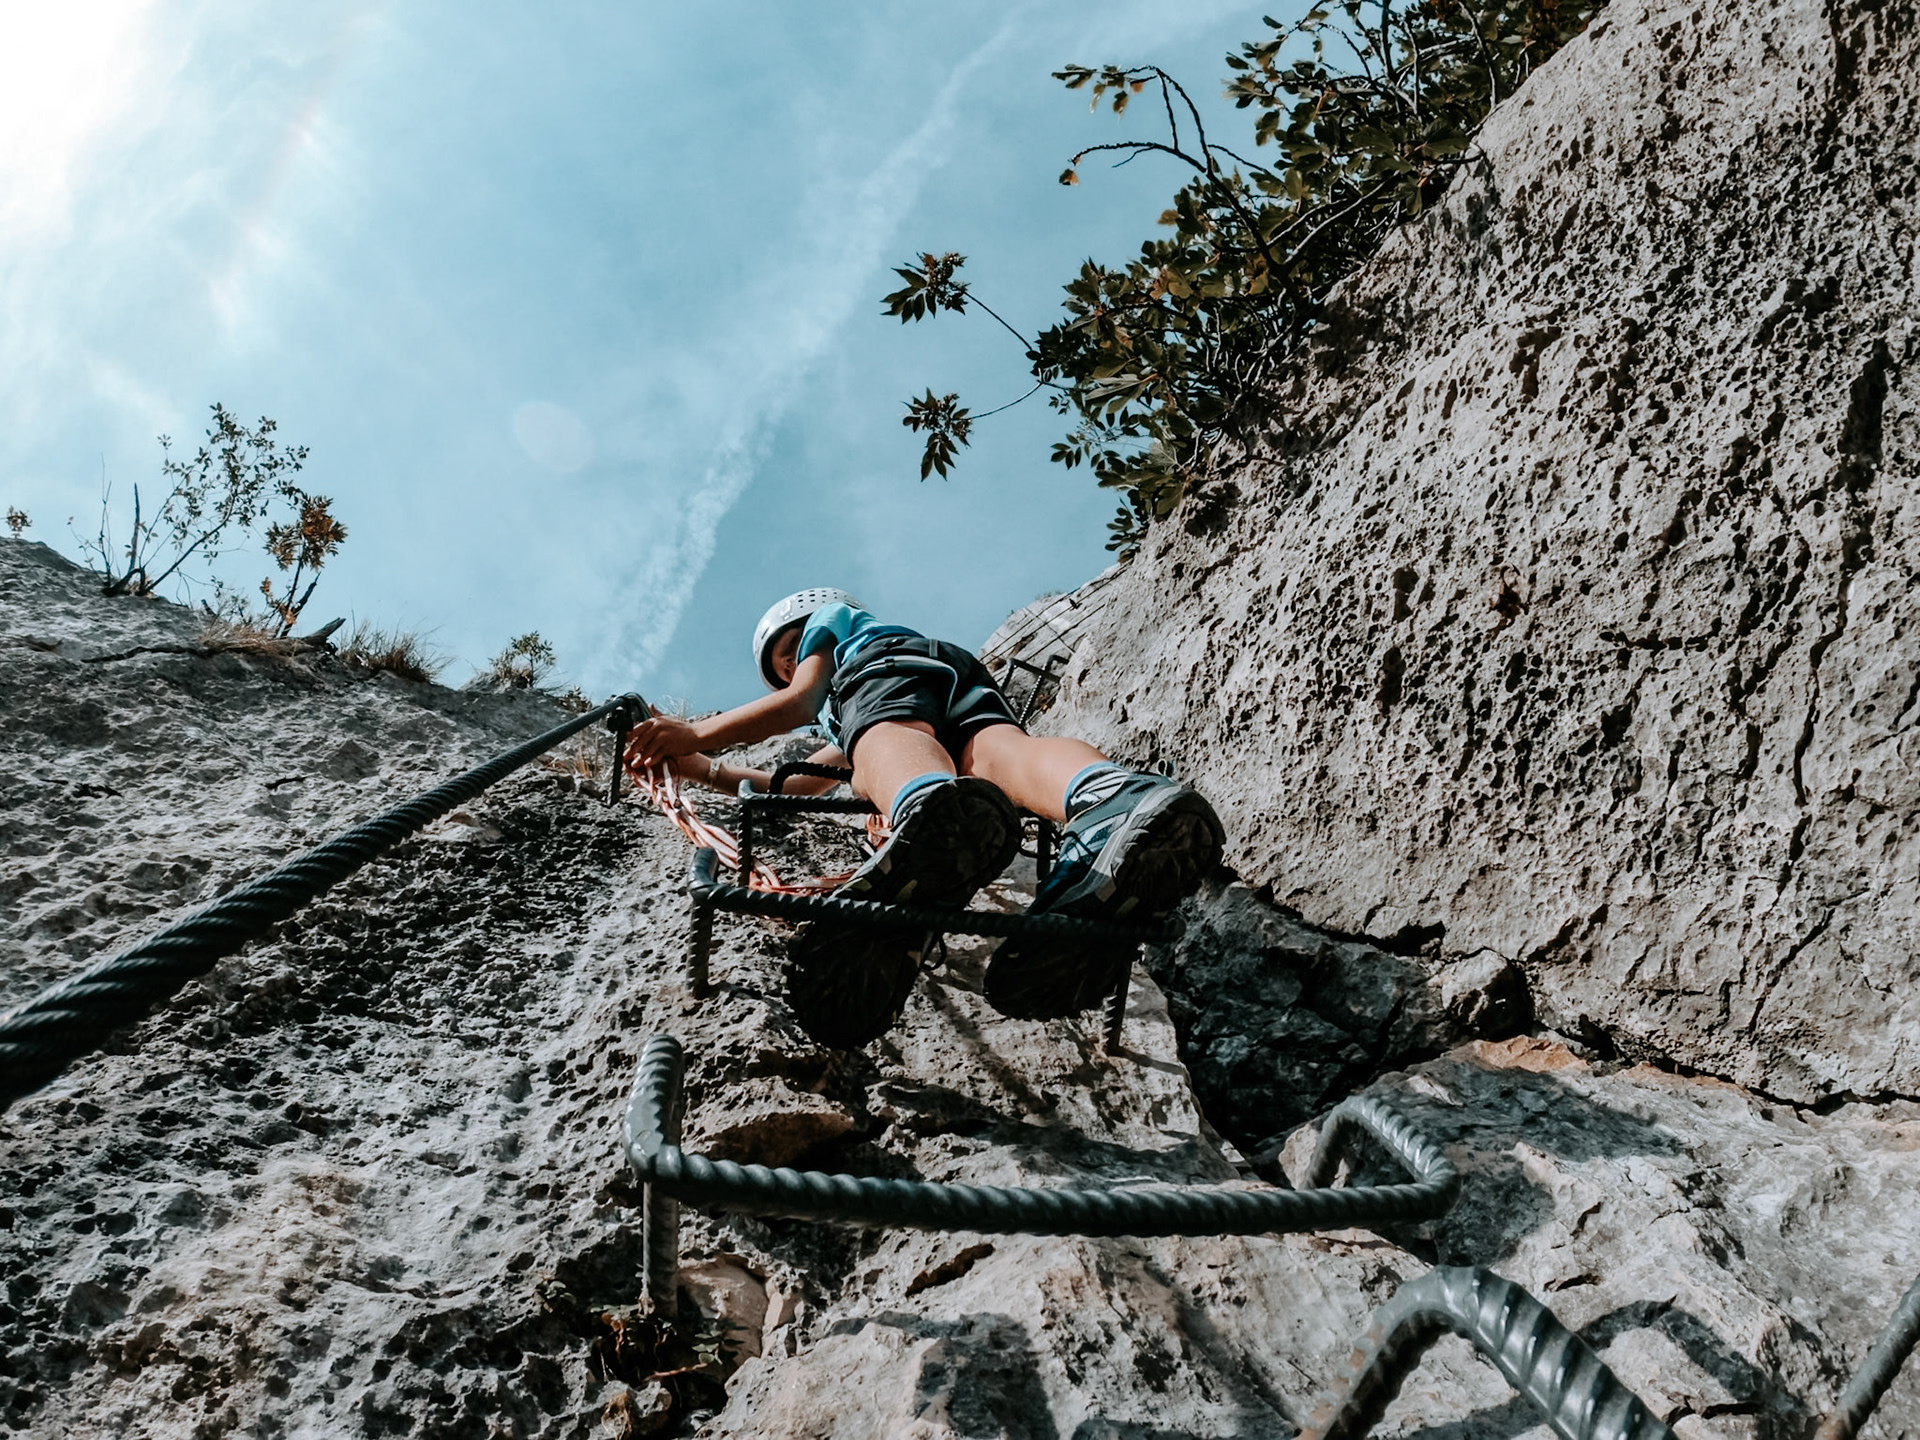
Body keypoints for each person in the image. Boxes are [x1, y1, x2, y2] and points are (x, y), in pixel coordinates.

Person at [632, 587, 1224, 1049]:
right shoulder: (875, 691)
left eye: (789, 657)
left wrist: (696, 730)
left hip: (888, 675)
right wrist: (698, 769)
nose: (792, 669)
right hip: (960, 675)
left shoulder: (834, 630)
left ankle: (924, 812)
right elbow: (795, 784)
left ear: (804, 625)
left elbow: (803, 702)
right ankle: (1110, 798)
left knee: (886, 744)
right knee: (997, 754)